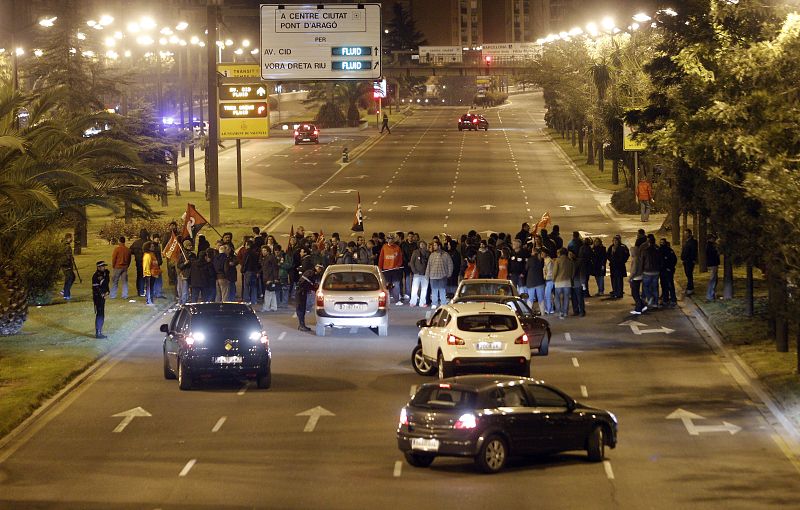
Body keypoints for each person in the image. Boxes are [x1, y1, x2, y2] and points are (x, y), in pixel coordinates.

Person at [426, 240, 453, 308]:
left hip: (442, 275)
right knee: (434, 290)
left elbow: (450, 264)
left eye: (435, 245)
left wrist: (449, 273)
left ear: (439, 246)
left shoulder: (445, 254)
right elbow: (429, 265)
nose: (434, 247)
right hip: (433, 276)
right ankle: (434, 303)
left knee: (442, 290)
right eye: (433, 245)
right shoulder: (432, 255)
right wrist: (427, 274)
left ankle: (443, 303)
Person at [379, 234, 404, 305]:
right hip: (386, 270)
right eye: (389, 239)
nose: (390, 240)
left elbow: (400, 258)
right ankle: (386, 300)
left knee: (396, 285)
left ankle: (397, 300)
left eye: (391, 239)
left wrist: (398, 265)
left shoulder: (397, 248)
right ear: (387, 239)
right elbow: (381, 258)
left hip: (395, 270)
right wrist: (380, 268)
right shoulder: (384, 247)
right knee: (386, 285)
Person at [296, 264, 322, 332]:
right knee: (301, 308)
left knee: (302, 308)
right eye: (319, 268)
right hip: (301, 291)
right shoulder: (311, 273)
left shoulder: (310, 273)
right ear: (316, 267)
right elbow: (311, 284)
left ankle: (301, 325)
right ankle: (301, 325)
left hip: (302, 291)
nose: (320, 270)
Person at [552, 248, 573, 319]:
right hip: (567, 282)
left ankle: (559, 312)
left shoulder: (558, 261)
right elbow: (573, 271)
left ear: (560, 253)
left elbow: (555, 271)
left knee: (557, 297)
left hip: (558, 282)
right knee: (566, 298)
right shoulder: (570, 261)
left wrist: (553, 279)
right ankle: (565, 312)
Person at [607, 235, 629, 299]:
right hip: (613, 266)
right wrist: (611, 259)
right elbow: (608, 255)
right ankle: (615, 291)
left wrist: (623, 261)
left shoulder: (623, 247)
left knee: (619, 279)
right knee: (613, 279)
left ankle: (619, 293)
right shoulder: (611, 247)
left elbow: (627, 254)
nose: (615, 242)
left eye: (616, 240)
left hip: (620, 266)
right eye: (614, 241)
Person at [641, 234, 661, 308]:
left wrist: (642, 269)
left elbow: (642, 261)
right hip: (656, 271)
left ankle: (649, 297)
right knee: (655, 287)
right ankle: (655, 303)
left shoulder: (645, 251)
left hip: (647, 271)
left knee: (645, 286)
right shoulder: (658, 250)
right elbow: (660, 261)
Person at [92, 261, 110, 339]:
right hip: (98, 297)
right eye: (102, 266)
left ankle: (99, 331)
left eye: (104, 266)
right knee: (99, 314)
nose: (104, 267)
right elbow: (96, 287)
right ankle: (98, 333)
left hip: (103, 296)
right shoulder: (96, 276)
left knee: (102, 313)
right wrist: (102, 294)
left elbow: (106, 285)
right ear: (98, 267)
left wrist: (107, 292)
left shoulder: (105, 274)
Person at [525, 248, 546, 315]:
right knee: (541, 298)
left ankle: (529, 313)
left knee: (530, 298)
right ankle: (542, 312)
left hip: (531, 281)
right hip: (540, 281)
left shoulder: (530, 259)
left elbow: (526, 268)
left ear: (533, 252)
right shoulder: (541, 260)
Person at [409, 240, 429, 307]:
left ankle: (422, 302)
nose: (422, 245)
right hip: (417, 273)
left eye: (423, 244)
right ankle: (413, 302)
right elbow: (412, 262)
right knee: (415, 288)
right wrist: (414, 271)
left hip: (425, 274)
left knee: (424, 289)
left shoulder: (428, 253)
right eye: (421, 244)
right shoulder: (415, 252)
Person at [629, 236, 646, 315]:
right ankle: (642, 305)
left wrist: (630, 278)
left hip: (635, 278)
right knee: (636, 293)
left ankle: (638, 309)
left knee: (635, 293)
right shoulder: (639, 258)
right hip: (640, 276)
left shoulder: (635, 259)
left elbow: (634, 270)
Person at [260, 245, 279, 312]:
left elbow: (275, 268)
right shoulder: (265, 258)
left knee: (268, 293)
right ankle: (274, 307)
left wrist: (272, 279)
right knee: (272, 293)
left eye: (265, 250)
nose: (263, 252)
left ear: (268, 251)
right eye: (262, 250)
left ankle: (266, 307)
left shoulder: (271, 258)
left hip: (270, 278)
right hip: (267, 278)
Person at [659, 238, 678, 307]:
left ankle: (672, 299)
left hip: (667, 271)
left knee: (670, 285)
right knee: (664, 285)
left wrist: (669, 268)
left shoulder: (669, 251)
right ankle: (665, 299)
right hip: (662, 271)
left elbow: (674, 260)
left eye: (662, 242)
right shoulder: (660, 250)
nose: (661, 244)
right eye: (660, 242)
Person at [129, 229, 148, 297]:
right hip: (147, 263)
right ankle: (146, 291)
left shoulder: (136, 243)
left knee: (140, 277)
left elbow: (130, 251)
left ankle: (140, 291)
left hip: (139, 263)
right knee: (147, 277)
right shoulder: (148, 242)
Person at [176, 240, 195, 304]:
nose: (191, 246)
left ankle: (187, 301)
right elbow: (178, 265)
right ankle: (183, 303)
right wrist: (184, 263)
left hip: (191, 274)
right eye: (189, 245)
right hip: (184, 274)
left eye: (191, 245)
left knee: (188, 290)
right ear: (185, 246)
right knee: (183, 290)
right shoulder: (181, 255)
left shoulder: (193, 255)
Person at [681, 229, 698, 296]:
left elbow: (693, 252)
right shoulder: (687, 242)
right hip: (686, 261)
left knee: (689, 275)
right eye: (685, 233)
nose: (685, 235)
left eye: (687, 233)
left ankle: (690, 289)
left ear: (690, 234)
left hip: (689, 261)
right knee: (688, 275)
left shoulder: (693, 242)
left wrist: (692, 259)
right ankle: (689, 288)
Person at [60, 233, 76, 300]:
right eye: (71, 238)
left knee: (72, 277)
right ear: (68, 238)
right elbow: (67, 256)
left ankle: (64, 291)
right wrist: (71, 258)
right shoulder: (66, 246)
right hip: (66, 264)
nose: (72, 239)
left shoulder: (63, 244)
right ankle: (66, 294)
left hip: (65, 264)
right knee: (69, 278)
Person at [706, 234, 721, 301]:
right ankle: (710, 295)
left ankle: (712, 294)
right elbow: (714, 254)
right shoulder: (710, 246)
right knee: (712, 279)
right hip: (713, 264)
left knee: (714, 279)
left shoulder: (710, 245)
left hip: (713, 264)